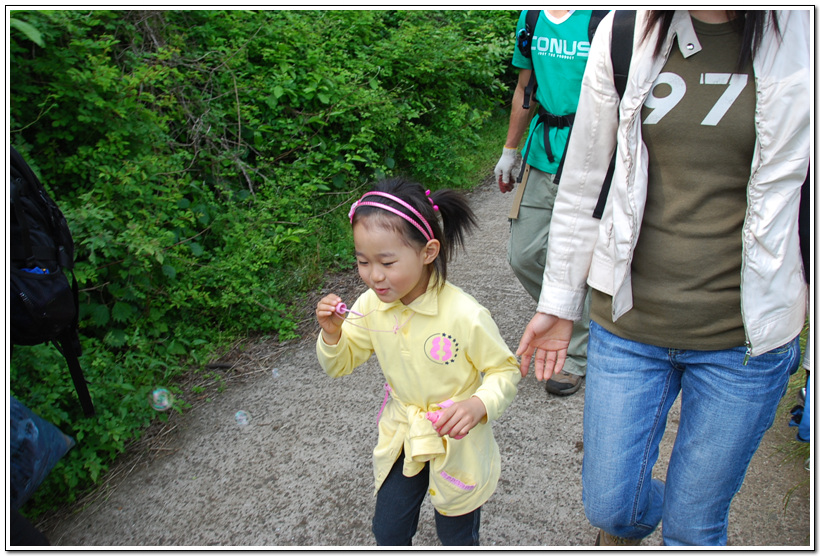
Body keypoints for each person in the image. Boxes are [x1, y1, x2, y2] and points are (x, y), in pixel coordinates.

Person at [515, 10, 810, 546]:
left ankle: (686, 517)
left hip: (743, 344)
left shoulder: (802, 37)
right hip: (628, 328)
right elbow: (584, 179)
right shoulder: (627, 30)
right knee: (611, 506)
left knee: (694, 527)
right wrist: (559, 303)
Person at [315, 177, 520, 546]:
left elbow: (504, 370)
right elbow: (338, 364)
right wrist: (332, 335)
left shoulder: (465, 315)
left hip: (458, 439)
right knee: (389, 530)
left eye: (387, 262)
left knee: (457, 536)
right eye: (362, 261)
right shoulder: (370, 306)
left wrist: (478, 404)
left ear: (428, 252)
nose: (374, 276)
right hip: (404, 432)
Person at [494, 10, 603, 396]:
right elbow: (526, 89)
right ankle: (571, 316)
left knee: (589, 257)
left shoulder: (611, 15)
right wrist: (510, 150)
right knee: (523, 254)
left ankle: (576, 353)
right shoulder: (533, 16)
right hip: (542, 152)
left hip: (594, 156)